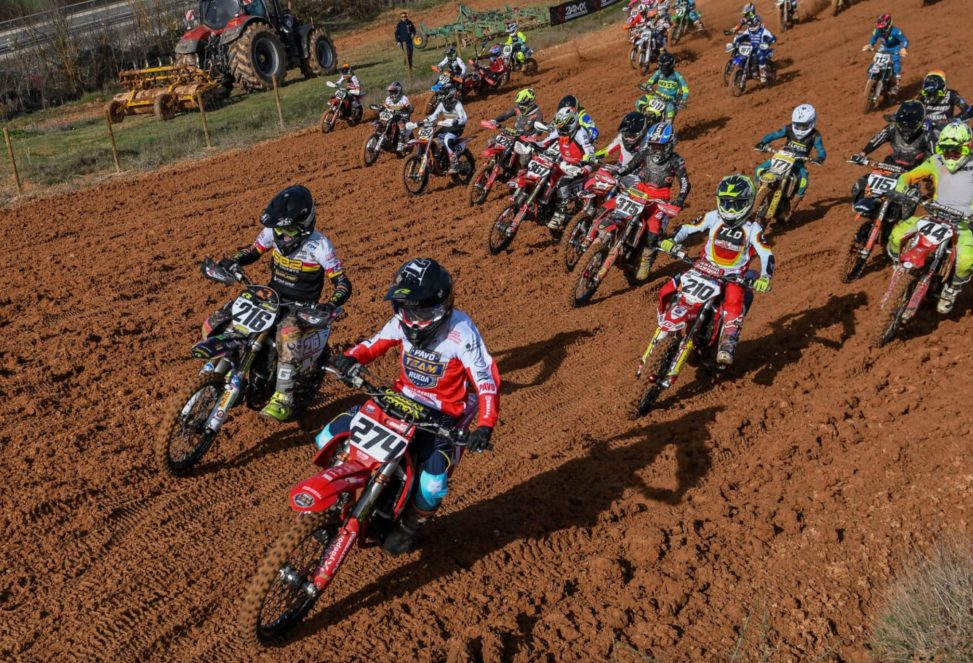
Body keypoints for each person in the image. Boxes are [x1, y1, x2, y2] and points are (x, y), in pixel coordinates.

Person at [330, 258, 499, 555]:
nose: (414, 321)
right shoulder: (401, 321)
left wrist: (485, 425)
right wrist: (350, 358)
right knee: (329, 435)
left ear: (442, 307)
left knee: (432, 485)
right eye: (408, 311)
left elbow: (486, 380)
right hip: (400, 399)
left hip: (441, 416)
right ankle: (336, 497)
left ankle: (409, 527)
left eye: (423, 312)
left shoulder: (461, 331)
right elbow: (374, 344)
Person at [209, 185, 352, 422]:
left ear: (305, 224)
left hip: (301, 307)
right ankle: (218, 367)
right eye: (279, 229)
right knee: (224, 317)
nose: (283, 236)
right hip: (270, 297)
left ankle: (283, 397)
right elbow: (252, 251)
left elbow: (343, 284)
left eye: (289, 230)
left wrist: (329, 304)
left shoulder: (320, 246)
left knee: (287, 333)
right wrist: (233, 261)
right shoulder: (271, 232)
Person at [658, 174, 774, 365]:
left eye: (736, 204)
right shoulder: (713, 217)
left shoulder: (752, 229)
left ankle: (728, 341)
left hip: (733, 276)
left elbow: (766, 254)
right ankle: (665, 320)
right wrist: (672, 241)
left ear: (747, 203)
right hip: (704, 268)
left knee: (734, 301)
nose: (730, 209)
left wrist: (765, 277)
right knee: (669, 288)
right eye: (726, 203)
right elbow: (688, 228)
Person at [888, 122, 973, 314]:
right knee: (897, 235)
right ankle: (898, 267)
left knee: (967, 259)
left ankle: (951, 289)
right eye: (945, 149)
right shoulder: (936, 161)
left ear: (967, 147)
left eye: (955, 150)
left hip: (964, 223)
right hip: (935, 215)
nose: (950, 154)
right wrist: (904, 188)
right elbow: (907, 177)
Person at [616, 120, 691, 279]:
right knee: (618, 209)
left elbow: (684, 182)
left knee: (653, 228)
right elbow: (630, 165)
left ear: (670, 144)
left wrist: (680, 199)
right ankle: (605, 235)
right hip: (640, 190)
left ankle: (646, 259)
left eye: (660, 146)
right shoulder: (645, 153)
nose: (656, 149)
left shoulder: (676, 160)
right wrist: (619, 172)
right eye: (653, 145)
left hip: (659, 198)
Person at [850, 100, 932, 213]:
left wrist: (931, 173)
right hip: (890, 165)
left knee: (909, 204)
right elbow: (878, 139)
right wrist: (863, 153)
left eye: (911, 125)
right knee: (861, 185)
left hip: (912, 171)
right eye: (902, 124)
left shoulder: (927, 134)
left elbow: (935, 155)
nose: (906, 128)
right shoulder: (892, 128)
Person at [754, 103, 826, 217]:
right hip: (782, 157)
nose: (800, 128)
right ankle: (757, 193)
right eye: (797, 125)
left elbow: (820, 149)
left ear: (812, 122)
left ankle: (792, 207)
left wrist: (820, 157)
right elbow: (775, 134)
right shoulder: (789, 128)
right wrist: (763, 142)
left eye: (804, 125)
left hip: (798, 163)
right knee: (759, 169)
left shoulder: (815, 135)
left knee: (804, 182)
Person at [539, 107, 596, 230]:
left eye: (563, 127)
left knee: (563, 181)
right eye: (559, 127)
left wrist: (588, 157)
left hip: (582, 166)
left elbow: (589, 148)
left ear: (571, 123)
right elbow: (545, 142)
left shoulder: (581, 133)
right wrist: (533, 144)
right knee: (548, 173)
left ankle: (560, 213)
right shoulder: (560, 131)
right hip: (565, 163)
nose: (560, 130)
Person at [487, 88, 543, 168]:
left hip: (524, 140)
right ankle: (492, 161)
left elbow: (539, 129)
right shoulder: (517, 109)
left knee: (524, 161)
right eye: (518, 103)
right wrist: (495, 120)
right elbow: (505, 115)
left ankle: (518, 172)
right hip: (512, 134)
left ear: (529, 103)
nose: (519, 105)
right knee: (491, 141)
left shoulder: (537, 114)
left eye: (521, 103)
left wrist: (534, 135)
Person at [862, 14, 908, 95]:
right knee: (876, 61)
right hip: (884, 47)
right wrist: (870, 45)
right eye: (879, 26)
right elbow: (874, 38)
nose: (881, 29)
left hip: (895, 47)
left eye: (883, 26)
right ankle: (873, 76)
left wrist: (903, 48)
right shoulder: (877, 30)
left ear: (888, 24)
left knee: (896, 62)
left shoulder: (895, 32)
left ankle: (896, 84)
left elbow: (904, 40)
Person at [425, 85, 468, 173]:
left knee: (447, 140)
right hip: (446, 126)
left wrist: (457, 121)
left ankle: (454, 164)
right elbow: (434, 116)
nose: (440, 96)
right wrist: (424, 121)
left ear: (449, 93)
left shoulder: (457, 104)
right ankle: (438, 158)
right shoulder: (442, 104)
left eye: (443, 94)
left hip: (457, 128)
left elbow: (464, 118)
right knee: (432, 138)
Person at [639, 52, 688, 121]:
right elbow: (650, 81)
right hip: (656, 96)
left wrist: (684, 99)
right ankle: (643, 117)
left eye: (665, 66)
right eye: (661, 66)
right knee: (640, 101)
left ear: (670, 65)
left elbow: (685, 89)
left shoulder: (677, 76)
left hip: (670, 101)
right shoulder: (658, 73)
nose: (663, 69)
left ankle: (667, 125)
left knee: (670, 110)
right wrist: (647, 85)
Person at [732, 15, 776, 84]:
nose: (752, 27)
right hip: (751, 48)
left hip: (761, 49)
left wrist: (767, 42)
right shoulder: (748, 30)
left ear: (757, 23)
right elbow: (742, 36)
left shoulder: (763, 30)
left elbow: (773, 38)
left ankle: (763, 76)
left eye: (753, 25)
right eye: (750, 25)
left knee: (761, 57)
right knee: (741, 55)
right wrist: (737, 41)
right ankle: (744, 70)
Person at [383, 81, 414, 152]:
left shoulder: (404, 98)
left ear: (398, 91)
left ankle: (401, 142)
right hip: (391, 116)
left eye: (394, 91)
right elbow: (385, 105)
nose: (392, 93)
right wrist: (383, 107)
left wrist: (406, 107)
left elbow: (409, 107)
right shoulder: (388, 98)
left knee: (401, 124)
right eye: (391, 92)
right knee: (382, 121)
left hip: (402, 116)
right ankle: (381, 138)